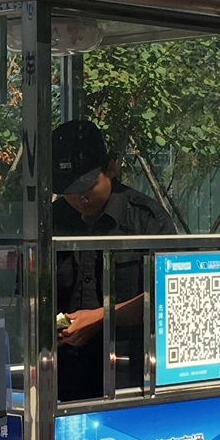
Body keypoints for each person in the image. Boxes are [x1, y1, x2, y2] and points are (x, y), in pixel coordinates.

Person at [52, 118, 175, 400]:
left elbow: (170, 299)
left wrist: (101, 317)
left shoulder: (147, 221)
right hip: (63, 379)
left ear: (110, 168)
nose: (80, 198)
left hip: (132, 378)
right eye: (69, 190)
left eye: (88, 186)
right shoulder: (50, 222)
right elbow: (29, 295)